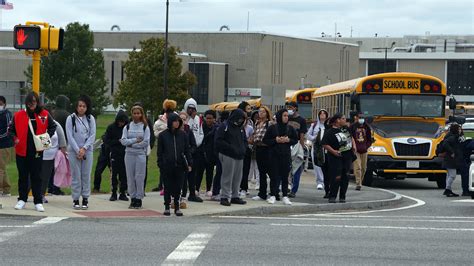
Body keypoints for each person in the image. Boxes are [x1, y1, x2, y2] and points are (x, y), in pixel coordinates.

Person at [9, 92, 57, 212]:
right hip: (21, 151)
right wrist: (15, 139)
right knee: (23, 176)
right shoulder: (19, 115)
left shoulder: (44, 114)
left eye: (34, 102)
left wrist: (45, 139)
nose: (32, 105)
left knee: (37, 176)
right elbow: (11, 130)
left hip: (37, 150)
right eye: (30, 103)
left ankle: (38, 201)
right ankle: (22, 199)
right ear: (26, 103)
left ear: (37, 102)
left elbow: (52, 127)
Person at [158, 113, 192, 216]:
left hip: (180, 165)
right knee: (167, 187)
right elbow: (160, 152)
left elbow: (187, 150)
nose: (177, 123)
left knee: (178, 187)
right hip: (167, 165)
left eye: (178, 121)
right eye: (175, 121)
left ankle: (177, 206)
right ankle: (167, 206)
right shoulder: (163, 135)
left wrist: (189, 163)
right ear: (170, 122)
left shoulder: (183, 135)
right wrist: (161, 164)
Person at [66, 95, 96, 210]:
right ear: (76, 107)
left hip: (87, 151)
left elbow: (92, 135)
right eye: (80, 106)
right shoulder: (71, 118)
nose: (82, 108)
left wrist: (84, 148)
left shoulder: (90, 119)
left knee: (86, 175)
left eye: (84, 106)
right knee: (76, 175)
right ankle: (75, 198)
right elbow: (70, 135)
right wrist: (77, 150)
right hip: (74, 151)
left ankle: (85, 198)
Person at [263, 109, 298, 205]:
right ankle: (273, 195)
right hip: (274, 155)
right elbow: (265, 140)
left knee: (284, 176)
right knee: (274, 175)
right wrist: (276, 140)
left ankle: (285, 196)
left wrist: (288, 140)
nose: (286, 117)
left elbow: (295, 139)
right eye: (284, 115)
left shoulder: (290, 128)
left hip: (286, 155)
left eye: (287, 116)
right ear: (279, 116)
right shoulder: (272, 128)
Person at [215, 109, 248, 206]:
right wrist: (231, 148)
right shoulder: (225, 126)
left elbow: (244, 140)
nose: (241, 120)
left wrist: (243, 149)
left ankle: (235, 196)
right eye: (240, 118)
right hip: (227, 154)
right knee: (227, 176)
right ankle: (224, 196)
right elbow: (219, 141)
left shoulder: (240, 128)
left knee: (237, 177)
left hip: (239, 155)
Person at [120, 105, 150, 209]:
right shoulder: (127, 127)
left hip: (140, 154)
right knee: (130, 176)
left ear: (141, 114)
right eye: (134, 113)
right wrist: (134, 141)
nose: (136, 115)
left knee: (139, 176)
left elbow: (145, 142)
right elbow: (123, 141)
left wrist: (134, 144)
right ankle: (132, 197)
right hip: (129, 154)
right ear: (131, 114)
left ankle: (139, 198)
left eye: (138, 113)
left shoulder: (145, 127)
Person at [321, 113, 355, 203]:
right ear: (337, 120)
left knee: (345, 176)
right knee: (336, 177)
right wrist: (333, 151)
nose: (345, 120)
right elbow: (324, 144)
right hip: (335, 158)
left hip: (347, 157)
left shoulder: (346, 129)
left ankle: (342, 196)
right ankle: (332, 196)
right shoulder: (330, 132)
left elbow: (351, 137)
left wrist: (354, 146)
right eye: (343, 118)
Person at [153, 99, 178, 194]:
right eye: (167, 112)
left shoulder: (177, 119)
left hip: (174, 147)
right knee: (164, 169)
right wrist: (165, 132)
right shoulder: (159, 122)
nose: (168, 114)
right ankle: (164, 186)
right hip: (164, 147)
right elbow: (156, 133)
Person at [104, 110, 129, 201]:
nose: (121, 124)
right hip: (114, 153)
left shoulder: (127, 127)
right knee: (114, 174)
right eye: (120, 122)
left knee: (124, 174)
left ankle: (123, 192)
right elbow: (106, 140)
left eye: (123, 122)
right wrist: (117, 141)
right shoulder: (111, 128)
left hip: (125, 153)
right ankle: (114, 192)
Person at [40, 119, 67, 203]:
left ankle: (41, 194)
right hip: (38, 155)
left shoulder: (55, 124)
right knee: (33, 175)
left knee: (45, 177)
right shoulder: (38, 122)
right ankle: (24, 194)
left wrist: (63, 148)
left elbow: (61, 137)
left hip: (50, 156)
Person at [183, 98, 204, 202]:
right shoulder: (183, 118)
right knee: (183, 174)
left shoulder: (199, 119)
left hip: (195, 150)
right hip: (183, 151)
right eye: (189, 108)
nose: (191, 110)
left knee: (193, 173)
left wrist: (196, 145)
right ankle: (181, 194)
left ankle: (192, 193)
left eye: (193, 108)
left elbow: (201, 133)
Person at [286, 101, 308, 198]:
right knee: (286, 168)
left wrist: (302, 148)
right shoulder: (286, 118)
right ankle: (286, 187)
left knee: (296, 168)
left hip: (297, 145)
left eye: (290, 107)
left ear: (295, 108)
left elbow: (302, 135)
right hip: (286, 144)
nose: (289, 109)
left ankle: (294, 190)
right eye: (288, 107)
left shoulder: (301, 120)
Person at [195, 110, 218, 197]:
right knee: (199, 172)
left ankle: (208, 189)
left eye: (210, 118)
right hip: (201, 152)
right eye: (207, 118)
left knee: (210, 172)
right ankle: (197, 188)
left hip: (211, 153)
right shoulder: (201, 127)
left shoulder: (216, 128)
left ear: (214, 119)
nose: (208, 120)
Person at [251, 106, 273, 201]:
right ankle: (262, 193)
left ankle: (274, 192)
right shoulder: (257, 123)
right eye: (259, 112)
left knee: (271, 172)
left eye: (263, 112)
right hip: (258, 148)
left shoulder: (270, 123)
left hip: (267, 149)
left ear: (267, 113)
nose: (261, 113)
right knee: (261, 172)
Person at [306, 109, 329, 191]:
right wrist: (314, 138)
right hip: (316, 148)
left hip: (326, 148)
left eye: (324, 114)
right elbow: (308, 135)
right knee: (317, 165)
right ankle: (319, 182)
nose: (322, 115)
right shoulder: (314, 125)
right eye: (321, 114)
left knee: (326, 165)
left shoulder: (328, 125)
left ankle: (326, 181)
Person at [350, 112, 372, 190]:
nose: (361, 119)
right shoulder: (352, 126)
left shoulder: (367, 127)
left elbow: (370, 139)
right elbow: (350, 137)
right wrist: (353, 146)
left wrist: (367, 146)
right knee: (358, 167)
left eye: (362, 118)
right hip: (356, 150)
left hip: (364, 150)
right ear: (356, 118)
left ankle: (360, 181)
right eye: (359, 118)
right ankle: (358, 183)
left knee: (364, 168)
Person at [179, 111, 197, 209]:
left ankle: (183, 199)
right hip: (176, 158)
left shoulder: (188, 131)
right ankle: (175, 198)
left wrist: (189, 152)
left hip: (186, 159)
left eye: (184, 119)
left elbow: (193, 145)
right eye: (180, 118)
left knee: (185, 179)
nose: (182, 121)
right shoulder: (174, 130)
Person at [442, 123, 465, 197]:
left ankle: (448, 190)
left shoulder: (451, 135)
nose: (460, 130)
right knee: (452, 175)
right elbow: (445, 144)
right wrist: (452, 152)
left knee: (449, 175)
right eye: (458, 129)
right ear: (455, 130)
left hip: (449, 159)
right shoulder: (453, 137)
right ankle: (447, 190)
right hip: (450, 159)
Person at [211, 111, 230, 200]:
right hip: (221, 153)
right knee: (220, 173)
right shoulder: (223, 126)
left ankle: (219, 191)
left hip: (221, 153)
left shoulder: (222, 125)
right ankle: (216, 192)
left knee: (222, 173)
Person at [238, 101, 254, 198]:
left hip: (246, 149)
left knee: (245, 169)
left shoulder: (250, 124)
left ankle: (244, 188)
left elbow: (251, 139)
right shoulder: (237, 122)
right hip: (237, 149)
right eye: (248, 109)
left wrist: (248, 140)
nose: (250, 111)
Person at [0, 95, 14, 197]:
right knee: (1, 168)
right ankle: (5, 189)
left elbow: (8, 130)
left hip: (5, 144)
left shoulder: (7, 114)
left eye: (0, 104)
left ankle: (4, 189)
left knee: (1, 168)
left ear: (4, 104)